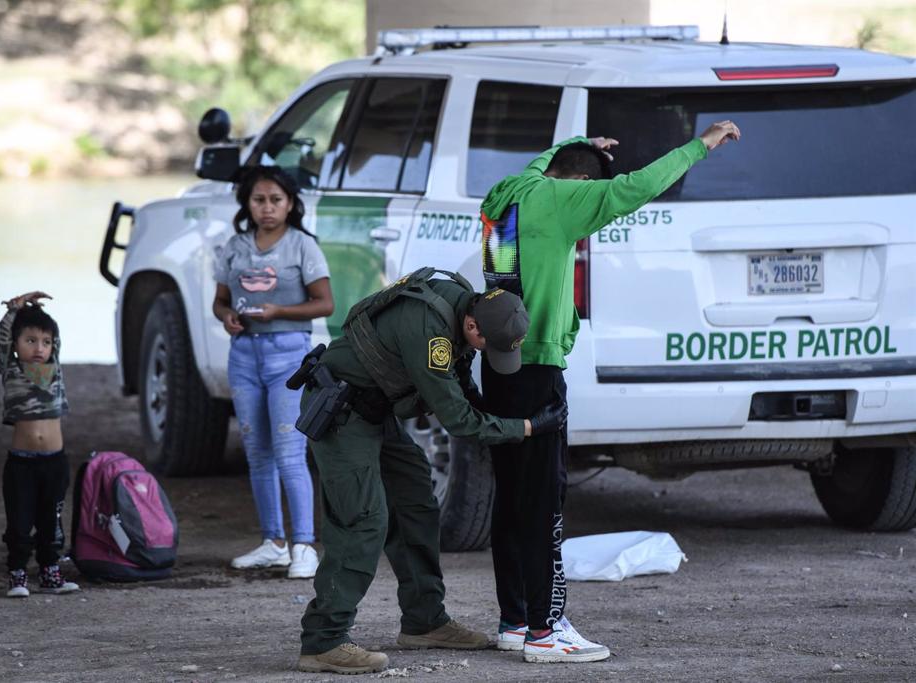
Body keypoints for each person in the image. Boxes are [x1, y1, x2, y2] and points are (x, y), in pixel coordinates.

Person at [479, 121, 742, 663]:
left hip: (498, 367)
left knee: (510, 498)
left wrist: (579, 148)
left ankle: (516, 618)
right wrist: (703, 144)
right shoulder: (562, 198)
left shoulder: (510, 192)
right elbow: (638, 186)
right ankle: (547, 631)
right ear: (577, 183)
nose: (585, 233)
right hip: (536, 371)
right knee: (544, 500)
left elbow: (545, 163)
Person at [295, 268, 568, 675]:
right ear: (472, 324)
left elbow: (460, 380)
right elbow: (458, 420)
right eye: (485, 344)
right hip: (341, 414)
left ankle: (424, 619)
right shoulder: (431, 334)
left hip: (373, 412)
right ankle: (324, 639)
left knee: (416, 501)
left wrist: (490, 409)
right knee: (363, 520)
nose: (486, 353)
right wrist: (527, 428)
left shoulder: (463, 301)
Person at [212, 165, 333, 580]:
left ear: (290, 204)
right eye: (259, 200)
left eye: (275, 200)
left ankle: (303, 545)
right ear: (247, 204)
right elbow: (220, 301)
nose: (267, 208)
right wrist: (227, 316)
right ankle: (273, 543)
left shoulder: (303, 246)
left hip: (288, 356)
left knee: (289, 452)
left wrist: (280, 310)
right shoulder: (234, 247)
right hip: (244, 355)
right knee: (257, 452)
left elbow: (325, 304)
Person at [0, 291, 79, 598]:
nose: (38, 348)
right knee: (19, 522)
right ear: (16, 345)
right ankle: (17, 575)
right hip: (22, 463)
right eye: (30, 341)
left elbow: (53, 336)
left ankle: (50, 572)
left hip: (54, 462)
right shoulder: (11, 370)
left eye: (45, 342)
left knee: (51, 521)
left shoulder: (56, 368)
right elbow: (2, 339)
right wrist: (15, 311)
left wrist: (39, 316)